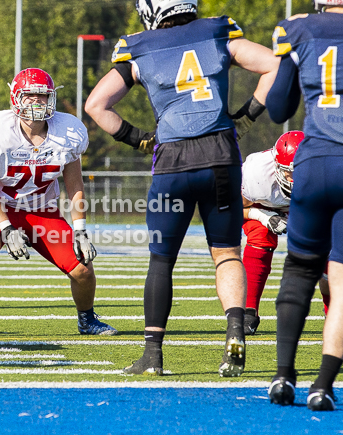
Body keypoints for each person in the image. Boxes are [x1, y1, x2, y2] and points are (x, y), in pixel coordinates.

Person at [85, 0, 279, 377]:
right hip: (221, 154)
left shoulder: (140, 47)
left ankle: (152, 355)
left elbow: (96, 105)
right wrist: (247, 116)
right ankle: (235, 332)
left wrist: (140, 138)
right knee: (226, 254)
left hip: (173, 162)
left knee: (162, 260)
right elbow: (274, 63)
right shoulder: (217, 32)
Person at [0, 67, 115, 338]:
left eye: (43, 96)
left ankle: (87, 320)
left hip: (43, 211)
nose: (37, 101)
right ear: (15, 99)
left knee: (83, 269)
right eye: (30, 95)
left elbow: (74, 186)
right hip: (1, 206)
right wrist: (7, 230)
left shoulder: (67, 132)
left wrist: (79, 229)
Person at [266, 0, 343, 411]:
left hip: (314, 161)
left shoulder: (301, 30)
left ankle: (283, 375)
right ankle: (324, 385)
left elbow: (279, 107)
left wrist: (288, 53)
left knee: (299, 269)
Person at [241, 131, 302, 334]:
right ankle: (249, 310)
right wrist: (263, 217)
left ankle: (333, 309)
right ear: (277, 166)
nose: (295, 178)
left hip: (304, 205)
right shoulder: (256, 174)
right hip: (262, 204)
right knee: (260, 234)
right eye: (290, 172)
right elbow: (231, 209)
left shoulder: (327, 171)